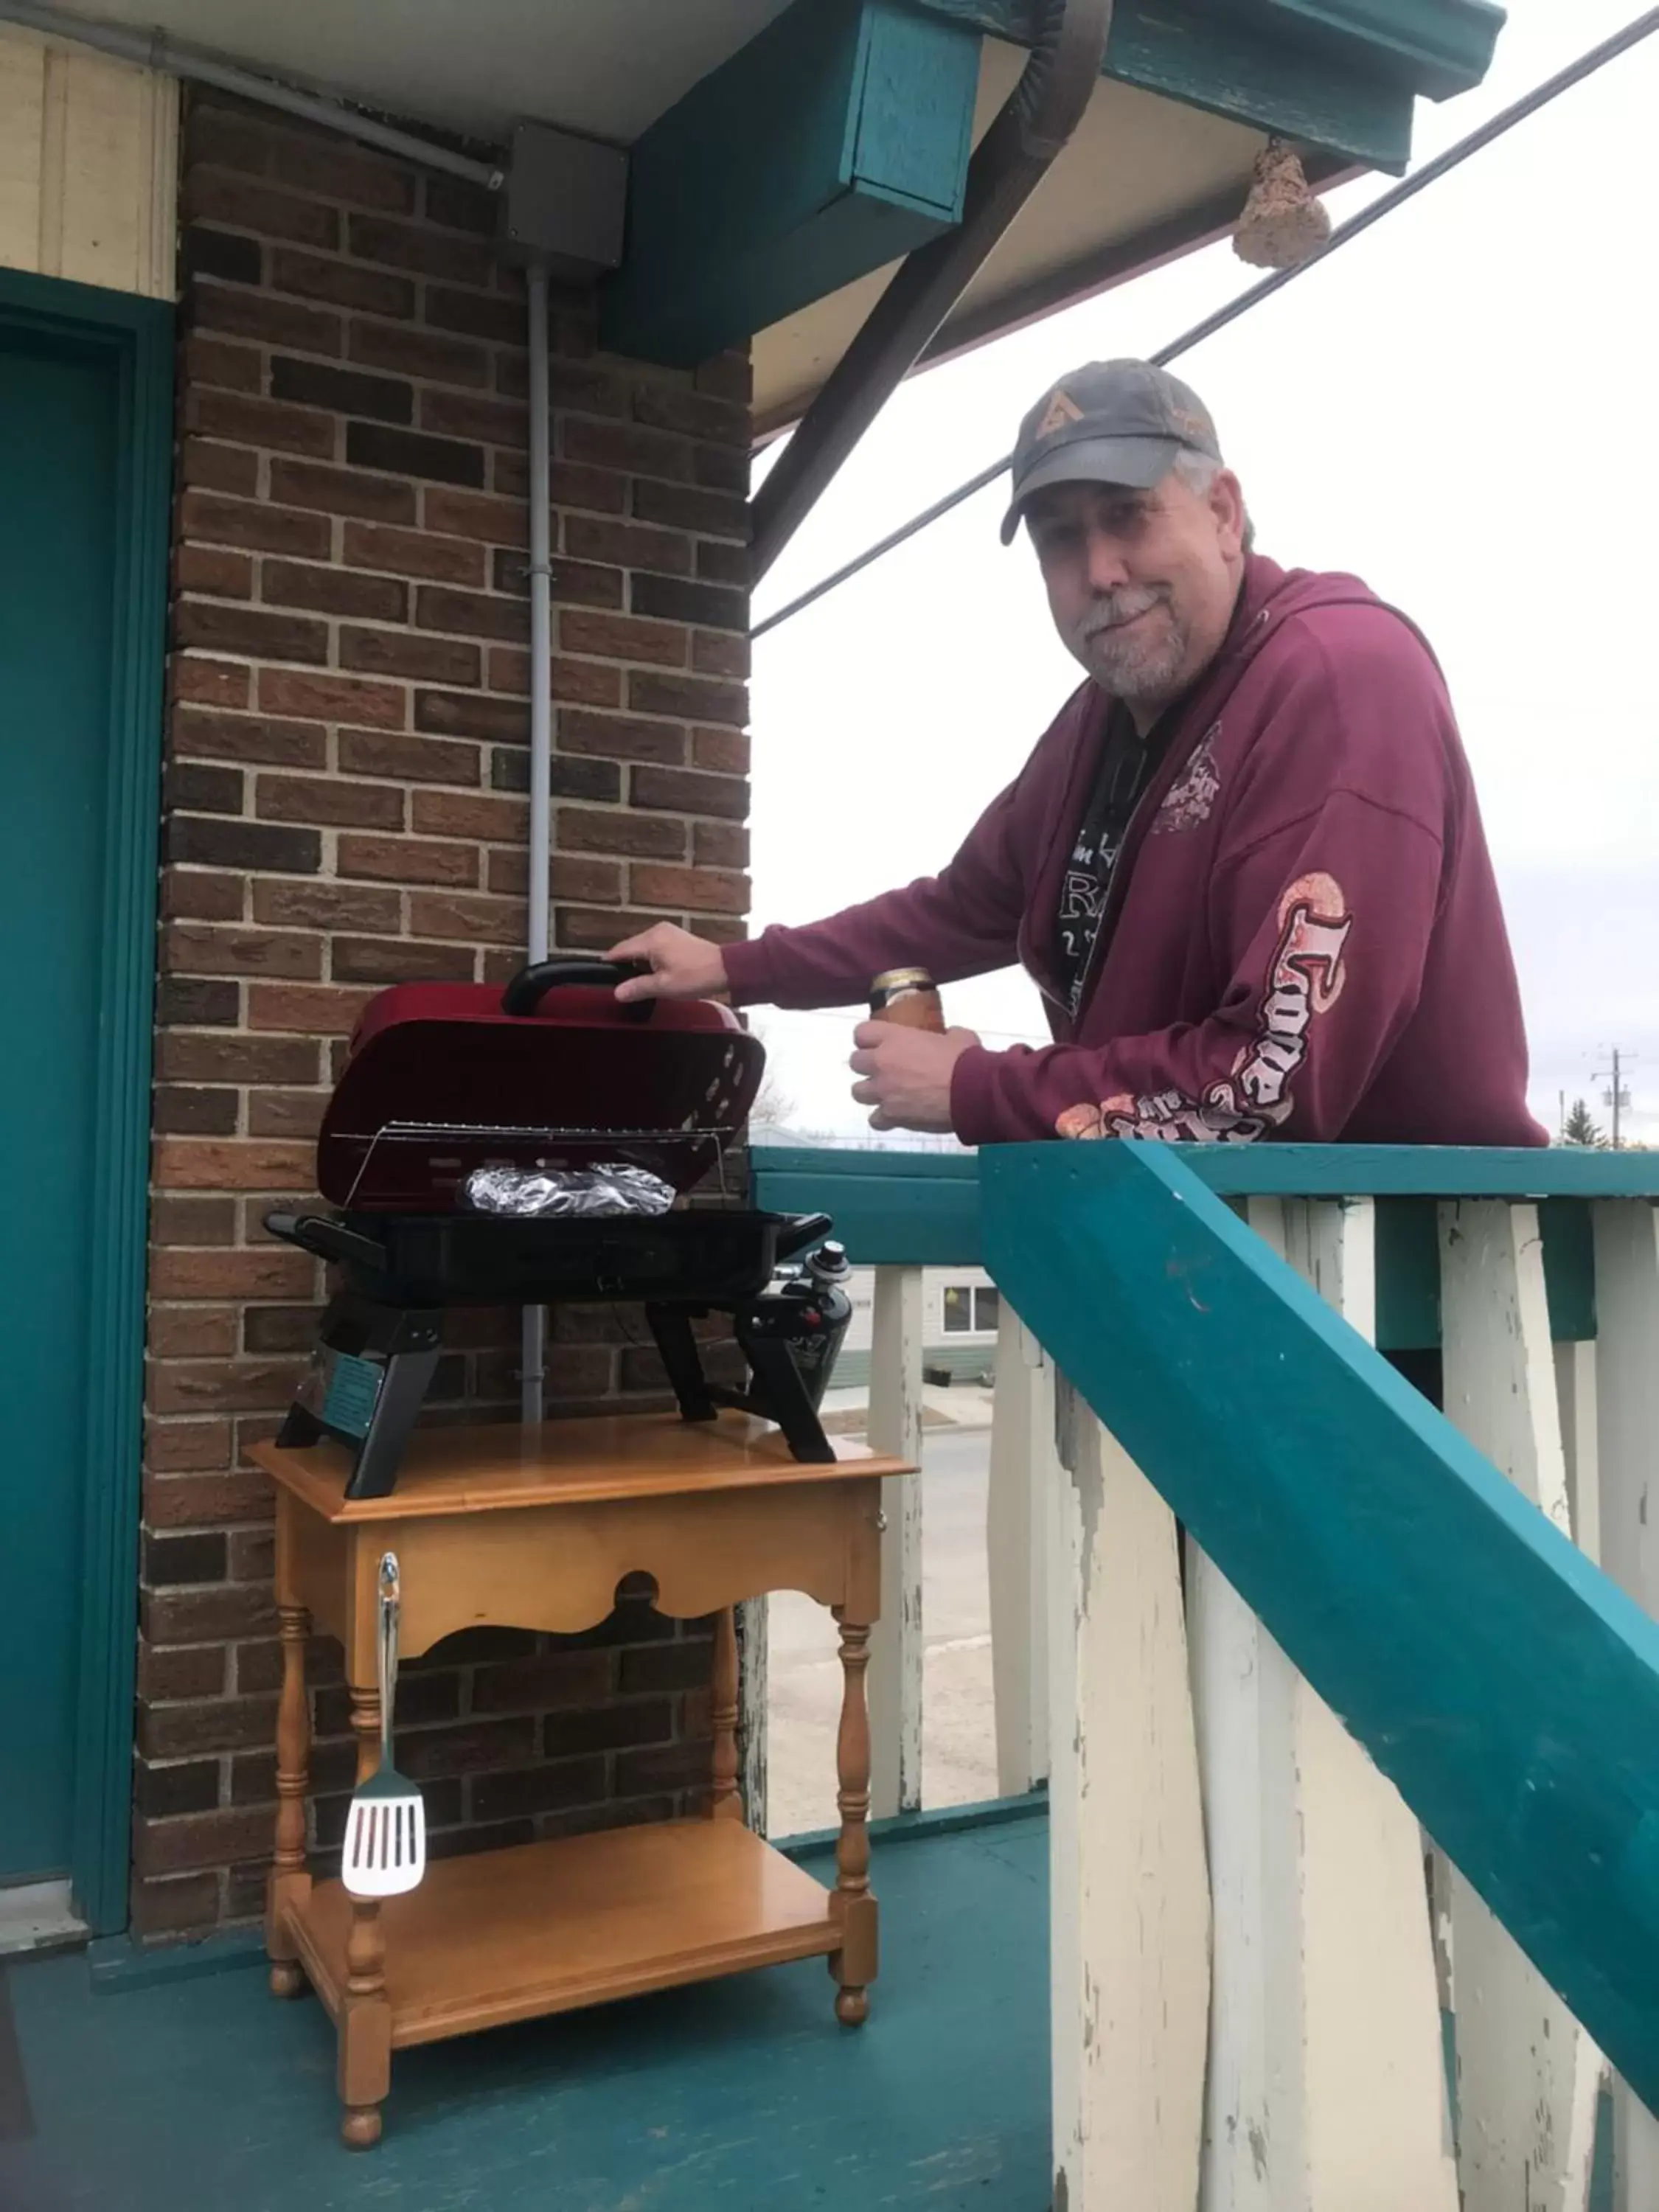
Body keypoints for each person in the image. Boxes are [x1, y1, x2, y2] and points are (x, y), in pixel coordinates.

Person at [610, 358, 1545, 1148]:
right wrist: (732, 970)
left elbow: (1272, 1080)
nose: (1100, 570)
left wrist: (977, 1088)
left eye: (1129, 516)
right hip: (1197, 1264)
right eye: (1062, 540)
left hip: (1399, 1296)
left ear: (1223, 513)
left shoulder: (1342, 680)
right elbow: (957, 909)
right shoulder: (1102, 722)